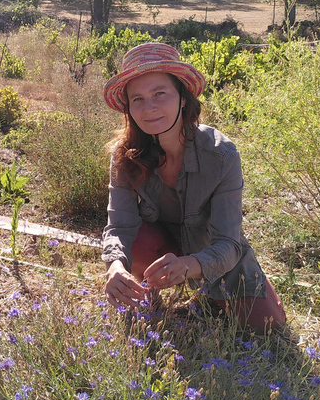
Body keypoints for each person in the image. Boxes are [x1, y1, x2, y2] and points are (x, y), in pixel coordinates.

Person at [101, 42, 286, 333]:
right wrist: (114, 266)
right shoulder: (124, 155)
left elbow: (229, 242)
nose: (149, 108)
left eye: (160, 94)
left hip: (210, 251)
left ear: (183, 98)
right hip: (162, 247)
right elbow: (119, 227)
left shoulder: (221, 155)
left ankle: (230, 289)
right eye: (137, 99)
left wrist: (191, 265)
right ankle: (150, 291)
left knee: (267, 326)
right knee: (136, 239)